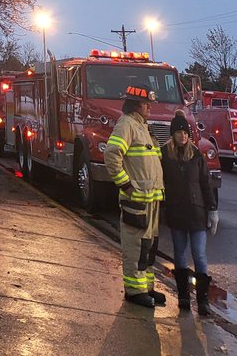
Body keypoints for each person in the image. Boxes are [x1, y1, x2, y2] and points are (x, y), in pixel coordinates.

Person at [104, 83, 166, 308]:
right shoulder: (127, 124)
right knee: (135, 246)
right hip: (137, 200)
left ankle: (147, 287)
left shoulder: (143, 127)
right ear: (135, 104)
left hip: (150, 201)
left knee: (148, 247)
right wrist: (125, 185)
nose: (149, 107)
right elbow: (111, 154)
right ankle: (134, 291)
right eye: (146, 103)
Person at [161, 111, 218, 315]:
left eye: (185, 132)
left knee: (199, 255)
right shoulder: (164, 155)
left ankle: (203, 301)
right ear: (173, 134)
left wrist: (212, 209)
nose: (183, 136)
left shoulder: (196, 155)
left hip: (197, 214)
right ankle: (184, 297)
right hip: (177, 212)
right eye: (179, 132)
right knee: (180, 255)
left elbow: (206, 184)